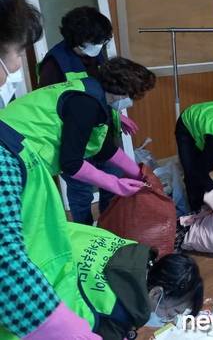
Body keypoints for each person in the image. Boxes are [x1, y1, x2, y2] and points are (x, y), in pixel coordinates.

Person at [0, 55, 155, 339]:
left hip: (17, 149)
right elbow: (71, 163)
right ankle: (41, 307)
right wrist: (116, 184)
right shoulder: (86, 105)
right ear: (123, 92)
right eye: (134, 97)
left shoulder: (92, 92)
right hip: (13, 156)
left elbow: (103, 148)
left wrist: (138, 172)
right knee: (24, 242)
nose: (131, 103)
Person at [38, 6, 138, 224]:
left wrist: (117, 116)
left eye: (104, 41)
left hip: (99, 132)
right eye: (97, 41)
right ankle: (85, 231)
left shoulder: (96, 54)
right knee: (81, 191)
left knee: (112, 178)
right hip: (72, 138)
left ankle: (108, 226)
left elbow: (105, 93)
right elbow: (55, 107)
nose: (101, 45)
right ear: (79, 40)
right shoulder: (55, 64)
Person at [67, 222, 203, 340]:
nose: (170, 320)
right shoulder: (114, 318)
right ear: (156, 293)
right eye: (171, 313)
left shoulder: (131, 250)